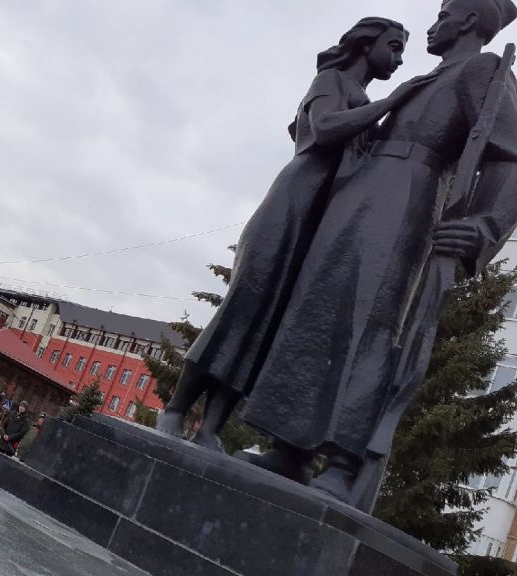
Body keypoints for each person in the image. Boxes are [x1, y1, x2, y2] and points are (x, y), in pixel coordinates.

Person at [158, 17, 428, 447]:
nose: (397, 59)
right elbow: (323, 129)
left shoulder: (364, 108)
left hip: (322, 226)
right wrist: (392, 101)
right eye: (394, 47)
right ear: (365, 45)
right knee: (242, 308)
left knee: (270, 327)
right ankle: (174, 410)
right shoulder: (331, 79)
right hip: (290, 208)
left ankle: (210, 427)